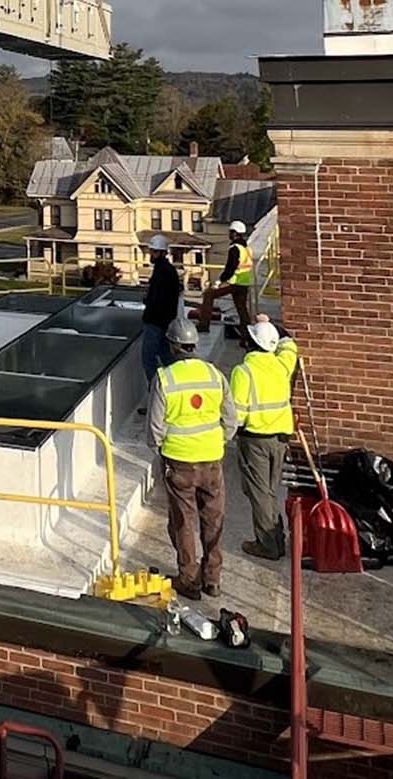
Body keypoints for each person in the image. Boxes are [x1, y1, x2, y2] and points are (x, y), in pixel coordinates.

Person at [148, 314, 232, 600]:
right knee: (213, 520)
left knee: (183, 523)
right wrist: (217, 441)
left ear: (173, 345)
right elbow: (230, 419)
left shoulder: (165, 378)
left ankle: (188, 580)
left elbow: (155, 427)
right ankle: (213, 579)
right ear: (194, 344)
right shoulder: (214, 375)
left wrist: (160, 449)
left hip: (179, 463)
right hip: (212, 461)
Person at [228, 316, 299, 560]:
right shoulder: (282, 365)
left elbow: (237, 414)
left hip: (254, 439)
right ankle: (277, 540)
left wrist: (227, 436)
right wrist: (271, 326)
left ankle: (267, 545)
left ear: (250, 342)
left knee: (258, 493)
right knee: (269, 491)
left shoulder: (243, 372)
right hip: (280, 440)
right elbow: (289, 344)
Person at [195, 220, 255, 332]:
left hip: (234, 281)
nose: (229, 234)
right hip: (244, 283)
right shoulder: (247, 249)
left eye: (231, 232)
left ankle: (204, 325)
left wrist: (220, 281)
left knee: (209, 294)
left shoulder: (235, 248)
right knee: (242, 309)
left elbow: (230, 268)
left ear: (235, 233)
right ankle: (247, 332)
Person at [139, 233, 180, 385]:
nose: (152, 254)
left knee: (148, 358)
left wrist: (148, 302)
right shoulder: (165, 269)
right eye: (152, 251)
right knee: (165, 355)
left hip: (156, 321)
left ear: (162, 253)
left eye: (154, 252)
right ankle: (175, 385)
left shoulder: (163, 271)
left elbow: (158, 298)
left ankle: (157, 391)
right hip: (164, 321)